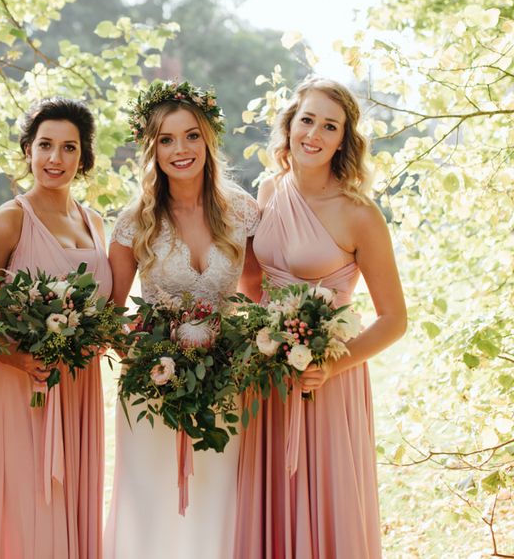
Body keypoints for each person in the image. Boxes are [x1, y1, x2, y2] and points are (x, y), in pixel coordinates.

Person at [234, 77, 407, 558]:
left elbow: (394, 318)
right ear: (290, 126)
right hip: (266, 368)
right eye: (307, 119)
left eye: (329, 126)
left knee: (324, 489)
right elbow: (251, 283)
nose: (314, 133)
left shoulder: (359, 213)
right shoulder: (268, 190)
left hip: (327, 373)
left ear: (342, 139)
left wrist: (331, 365)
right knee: (270, 489)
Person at [103, 81, 262, 559]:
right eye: (166, 140)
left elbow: (257, 297)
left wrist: (235, 350)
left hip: (226, 388)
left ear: (208, 139)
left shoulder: (242, 210)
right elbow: (113, 317)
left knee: (218, 502)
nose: (180, 149)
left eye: (190, 135)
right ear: (152, 148)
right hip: (153, 392)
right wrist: (155, 359)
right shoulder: (135, 222)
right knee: (151, 505)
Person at [0, 97, 109, 559]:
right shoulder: (10, 218)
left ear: (83, 156)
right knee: (22, 516)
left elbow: (106, 307)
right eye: (45, 145)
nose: (56, 158)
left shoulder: (96, 224)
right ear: (28, 150)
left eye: (69, 148)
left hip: (78, 387)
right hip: (17, 385)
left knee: (68, 508)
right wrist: (16, 356)